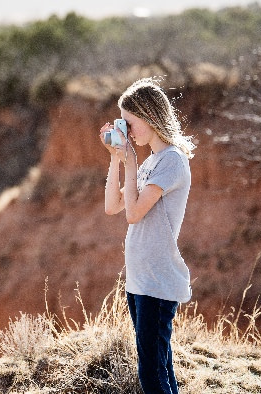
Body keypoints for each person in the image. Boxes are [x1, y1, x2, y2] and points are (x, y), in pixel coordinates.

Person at [99, 77, 195, 394]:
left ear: (149, 116)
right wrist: (116, 158)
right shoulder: (151, 161)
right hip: (141, 280)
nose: (126, 130)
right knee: (160, 369)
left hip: (158, 280)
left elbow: (134, 213)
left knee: (151, 375)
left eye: (129, 122)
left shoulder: (171, 160)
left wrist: (131, 160)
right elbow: (112, 206)